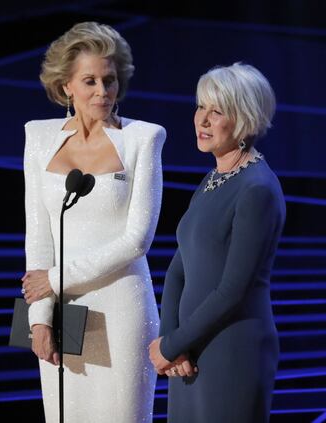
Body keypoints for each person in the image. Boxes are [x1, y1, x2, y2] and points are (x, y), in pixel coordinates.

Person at [21, 21, 166, 422]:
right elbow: (39, 239)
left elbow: (137, 240)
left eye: (110, 81)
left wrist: (54, 278)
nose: (102, 92)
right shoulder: (39, 138)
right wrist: (38, 319)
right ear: (66, 85)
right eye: (90, 81)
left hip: (122, 309)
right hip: (61, 313)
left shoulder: (143, 139)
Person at [149, 62, 286, 422]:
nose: (203, 120)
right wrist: (171, 342)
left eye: (217, 111)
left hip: (232, 352)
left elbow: (233, 290)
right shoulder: (214, 179)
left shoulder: (257, 190)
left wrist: (172, 344)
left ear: (244, 120)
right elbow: (179, 269)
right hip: (188, 355)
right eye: (200, 107)